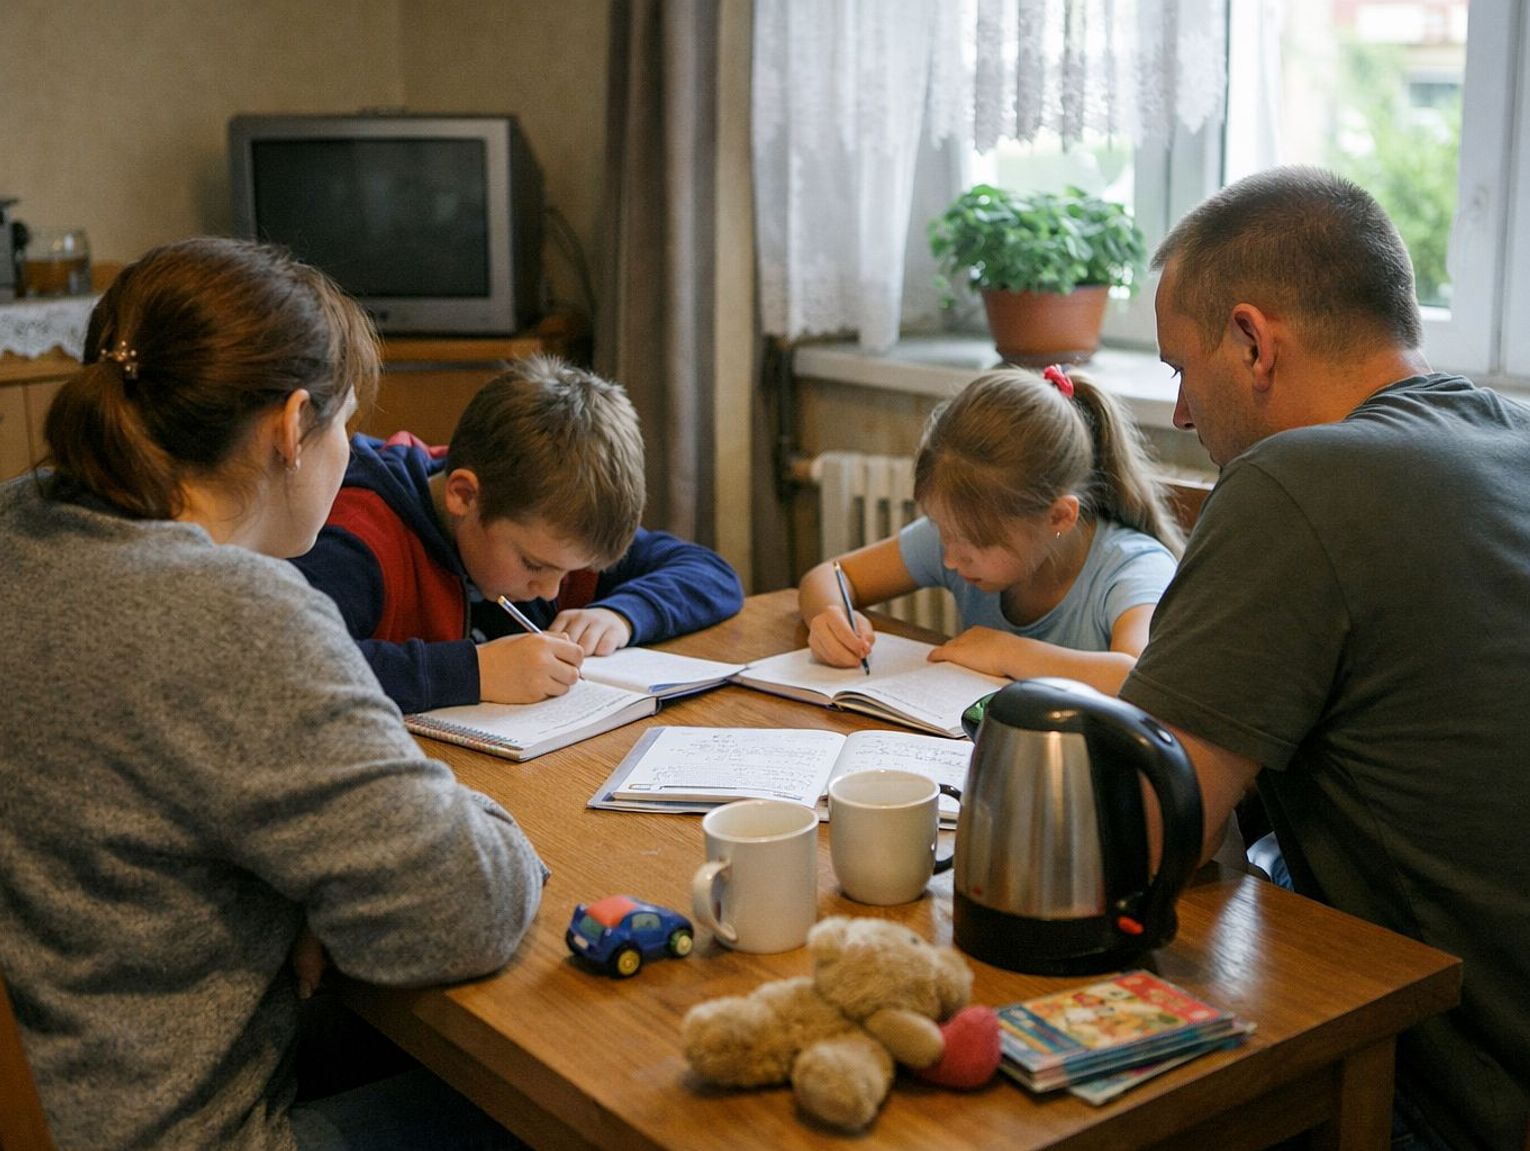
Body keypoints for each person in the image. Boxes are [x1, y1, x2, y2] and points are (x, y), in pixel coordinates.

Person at [0, 237, 546, 1150]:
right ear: (292, 428)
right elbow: (467, 907)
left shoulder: (20, 517)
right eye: (346, 427)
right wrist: (474, 814)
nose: (351, 451)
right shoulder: (236, 616)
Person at [1119, 166, 1530, 1151]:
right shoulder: (1509, 437)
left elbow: (1129, 839)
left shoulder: (1297, 479)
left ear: (1254, 342)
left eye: (1179, 367)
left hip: (1458, 1098)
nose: (1179, 413)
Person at [290, 356, 744, 715]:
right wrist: (476, 672)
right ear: (464, 496)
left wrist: (621, 614)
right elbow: (296, 671)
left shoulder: (546, 521)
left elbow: (712, 574)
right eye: (535, 566)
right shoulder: (358, 536)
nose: (551, 589)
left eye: (573, 571)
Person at [799, 366, 1184, 695]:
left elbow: (1139, 679)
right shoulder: (962, 537)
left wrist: (1008, 652)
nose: (950, 557)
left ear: (1058, 517)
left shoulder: (1132, 567)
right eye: (943, 531)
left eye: (976, 543)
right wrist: (831, 618)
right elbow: (831, 576)